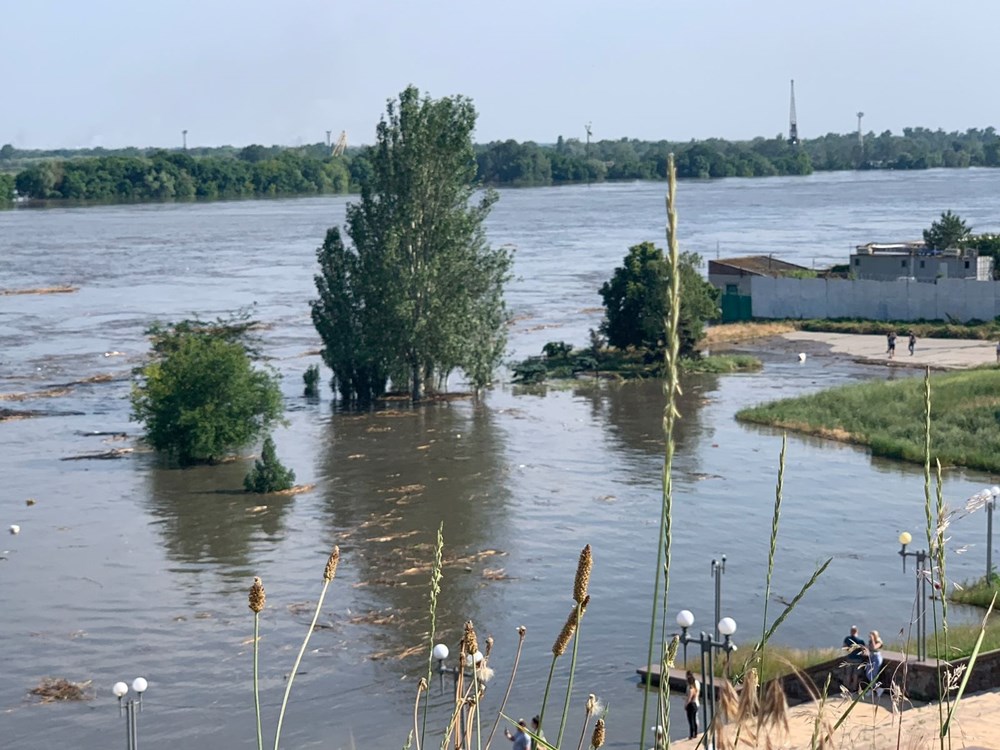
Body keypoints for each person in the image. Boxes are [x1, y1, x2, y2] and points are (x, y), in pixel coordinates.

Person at [841, 625, 867, 691]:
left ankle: (847, 688)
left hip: (850, 658)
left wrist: (849, 651)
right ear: (857, 631)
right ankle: (854, 688)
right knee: (856, 675)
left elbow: (844, 647)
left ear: (851, 631)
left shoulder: (847, 639)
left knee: (848, 674)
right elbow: (864, 650)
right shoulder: (861, 640)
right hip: (858, 659)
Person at [865, 630, 884, 696]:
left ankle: (874, 689)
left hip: (877, 657)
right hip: (871, 657)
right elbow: (869, 648)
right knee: (868, 674)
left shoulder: (879, 641)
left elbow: (874, 647)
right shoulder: (870, 641)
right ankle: (876, 689)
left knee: (873, 674)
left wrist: (872, 639)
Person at [684, 670, 701, 739]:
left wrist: (685, 705)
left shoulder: (691, 688)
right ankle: (696, 733)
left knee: (691, 720)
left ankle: (691, 735)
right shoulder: (697, 684)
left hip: (691, 705)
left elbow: (689, 697)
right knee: (694, 719)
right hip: (696, 703)